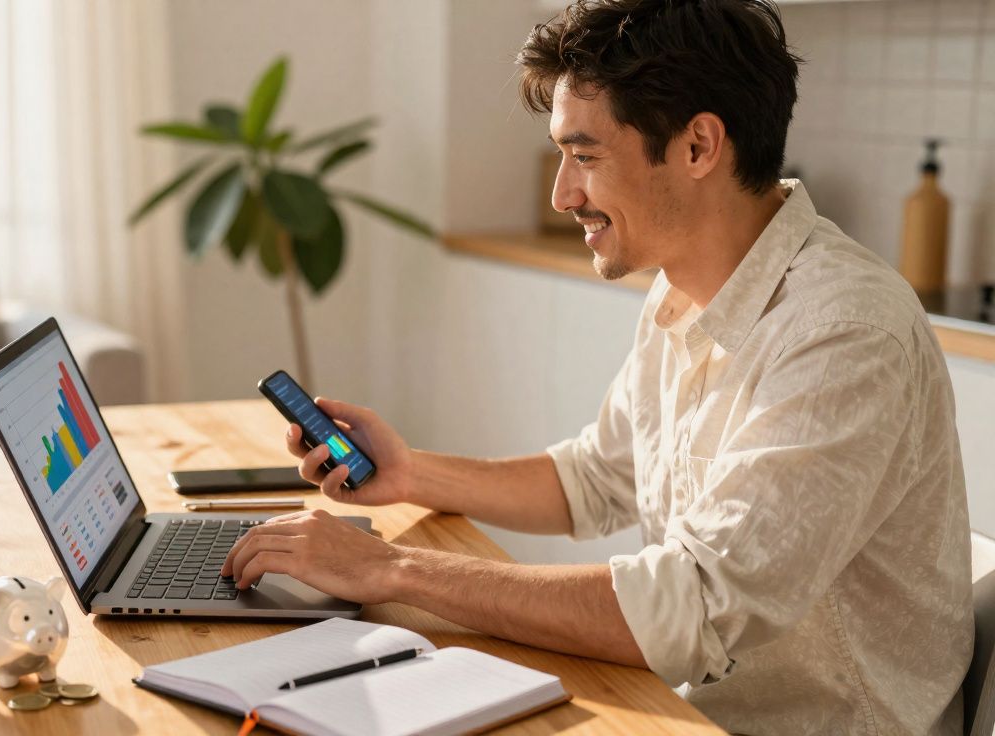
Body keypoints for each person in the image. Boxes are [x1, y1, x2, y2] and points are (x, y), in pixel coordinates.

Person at [221, 0, 972, 732]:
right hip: (679, 704)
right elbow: (597, 478)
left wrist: (391, 570)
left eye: (584, 156)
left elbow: (697, 604)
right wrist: (414, 474)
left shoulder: (843, 332)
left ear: (699, 148)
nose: (562, 193)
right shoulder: (681, 288)